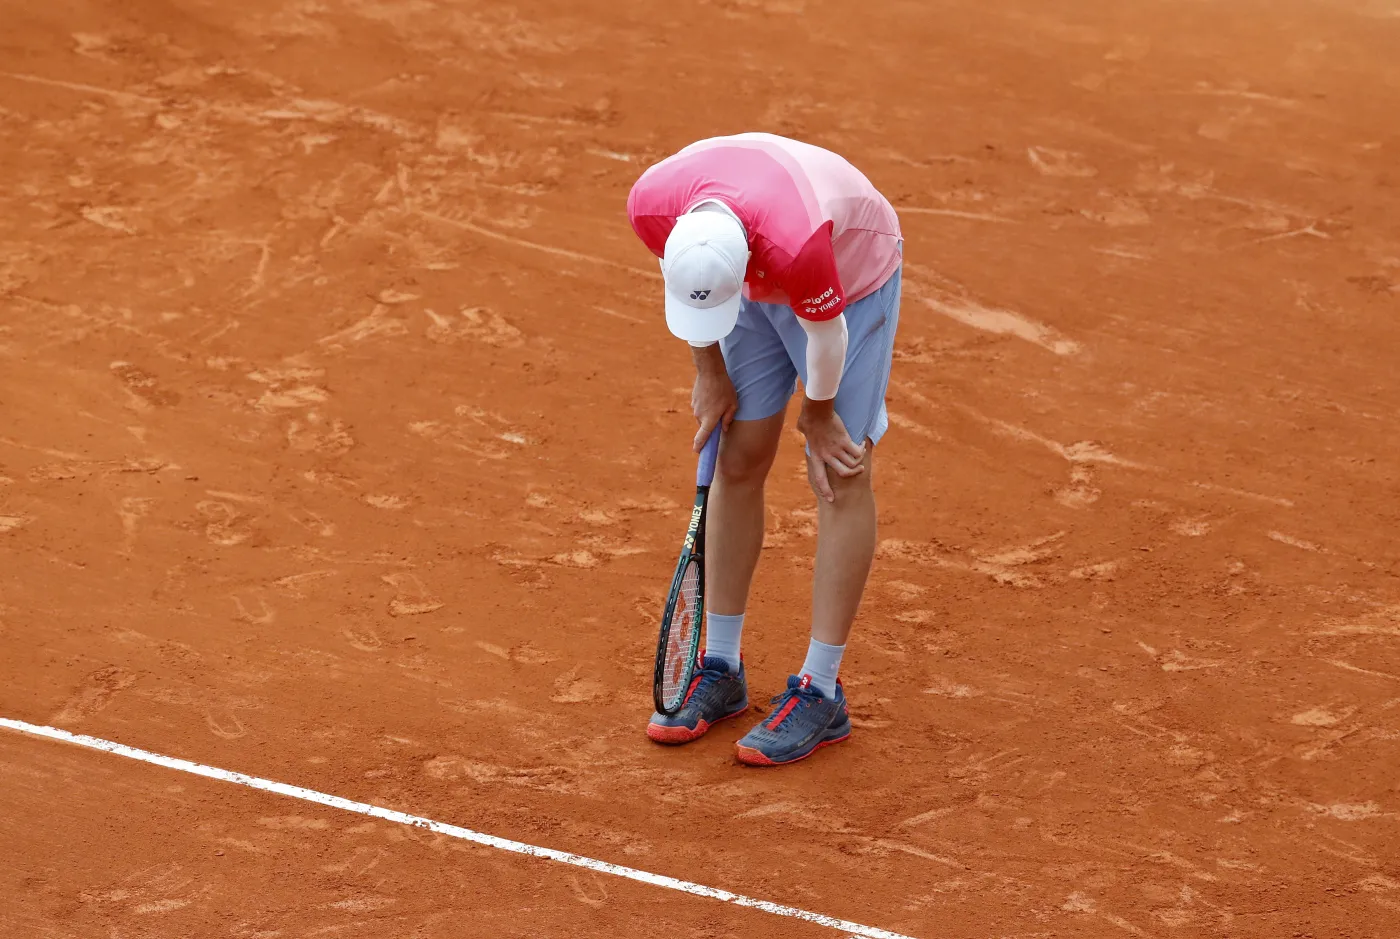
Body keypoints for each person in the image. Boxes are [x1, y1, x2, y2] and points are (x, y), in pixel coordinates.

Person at [627, 132, 903, 767]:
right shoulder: (652, 206)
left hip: (848, 280)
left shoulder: (799, 242)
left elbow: (824, 334)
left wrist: (820, 413)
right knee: (738, 455)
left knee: (838, 471)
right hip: (751, 279)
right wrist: (708, 370)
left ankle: (822, 690)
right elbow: (687, 289)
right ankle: (719, 665)